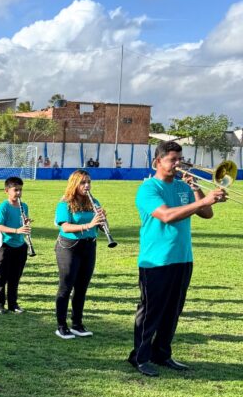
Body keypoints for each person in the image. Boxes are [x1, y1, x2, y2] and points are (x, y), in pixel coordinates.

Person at [129, 140, 225, 376]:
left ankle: (162, 354)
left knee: (173, 311)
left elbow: (207, 213)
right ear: (157, 162)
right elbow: (167, 216)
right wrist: (203, 200)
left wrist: (197, 190)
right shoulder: (148, 189)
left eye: (180, 159)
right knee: (151, 312)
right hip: (156, 260)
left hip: (182, 258)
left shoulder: (183, 187)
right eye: (172, 160)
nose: (178, 164)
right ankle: (139, 357)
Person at [53, 171, 106, 339]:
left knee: (82, 288)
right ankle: (61, 326)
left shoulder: (94, 201)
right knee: (66, 287)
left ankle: (77, 324)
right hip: (69, 247)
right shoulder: (65, 203)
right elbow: (65, 227)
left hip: (89, 246)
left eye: (89, 182)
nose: (87, 185)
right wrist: (88, 225)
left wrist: (103, 221)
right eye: (83, 182)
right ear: (74, 184)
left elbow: (100, 226)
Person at [0, 176, 32, 314]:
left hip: (20, 245)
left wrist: (26, 224)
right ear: (7, 191)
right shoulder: (4, 206)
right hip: (5, 245)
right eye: (16, 190)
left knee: (15, 277)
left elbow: (22, 223)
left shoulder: (24, 206)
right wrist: (16, 230)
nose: (19, 193)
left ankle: (13, 304)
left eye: (20, 190)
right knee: (2, 276)